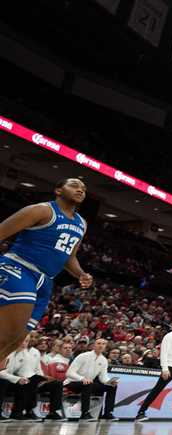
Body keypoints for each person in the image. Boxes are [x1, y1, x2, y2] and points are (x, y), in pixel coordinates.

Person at [0, 178, 92, 364]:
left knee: (16, 341)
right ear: (58, 190)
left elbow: (69, 257)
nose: (80, 190)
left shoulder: (82, 223)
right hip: (19, 268)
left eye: (83, 188)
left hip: (46, 281)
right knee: (8, 334)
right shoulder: (41, 210)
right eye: (74, 186)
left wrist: (81, 273)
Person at [134, 316, 172, 421]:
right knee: (157, 390)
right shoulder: (169, 336)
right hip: (171, 368)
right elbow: (164, 353)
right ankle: (141, 412)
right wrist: (165, 368)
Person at [65, 338, 118, 421]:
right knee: (88, 384)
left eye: (103, 344)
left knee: (112, 387)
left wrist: (110, 382)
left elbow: (103, 377)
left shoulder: (103, 360)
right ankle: (84, 413)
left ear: (105, 347)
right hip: (72, 382)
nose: (101, 345)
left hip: (88, 384)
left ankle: (108, 413)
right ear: (94, 346)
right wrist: (82, 378)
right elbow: (69, 373)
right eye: (99, 343)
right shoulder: (83, 356)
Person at [0, 334, 42, 419]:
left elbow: (26, 371)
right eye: (21, 340)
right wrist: (18, 379)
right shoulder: (5, 351)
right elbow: (1, 373)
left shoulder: (24, 354)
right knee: (2, 382)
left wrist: (27, 379)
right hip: (3, 378)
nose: (24, 343)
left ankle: (17, 412)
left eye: (26, 341)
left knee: (29, 382)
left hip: (9, 379)